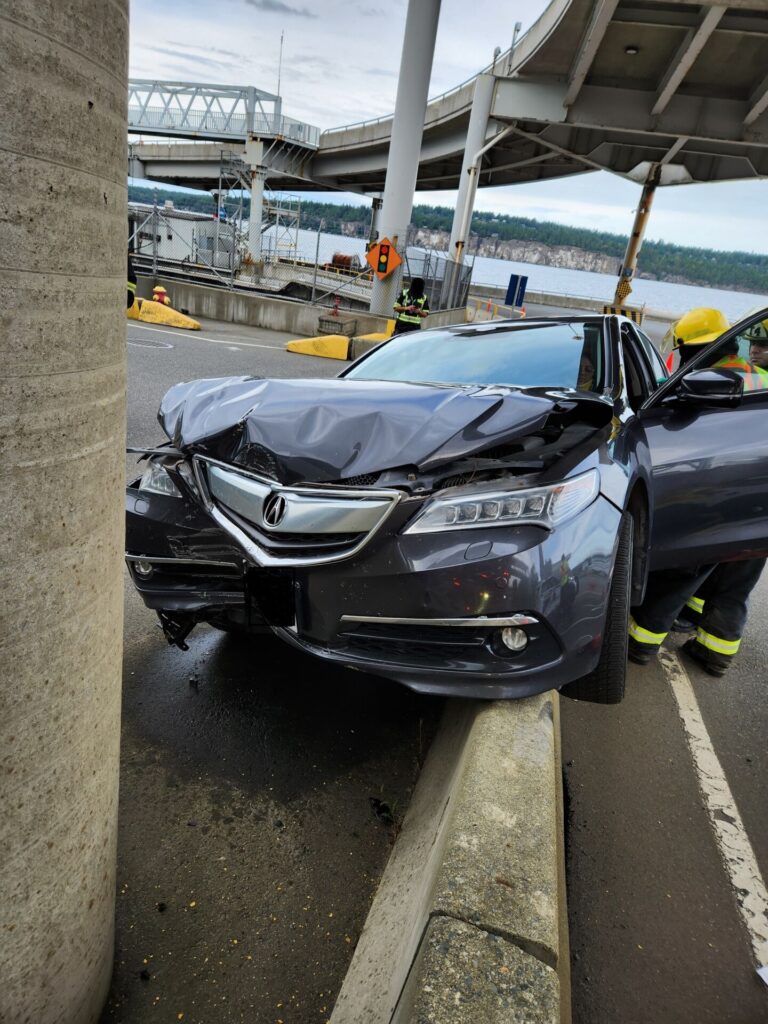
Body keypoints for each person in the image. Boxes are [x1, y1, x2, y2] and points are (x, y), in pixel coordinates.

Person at [628, 307, 768, 675]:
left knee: (684, 567)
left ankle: (640, 640)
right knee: (738, 575)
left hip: (721, 488)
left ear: (696, 349)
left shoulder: (708, 379)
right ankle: (715, 651)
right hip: (759, 500)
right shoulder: (761, 378)